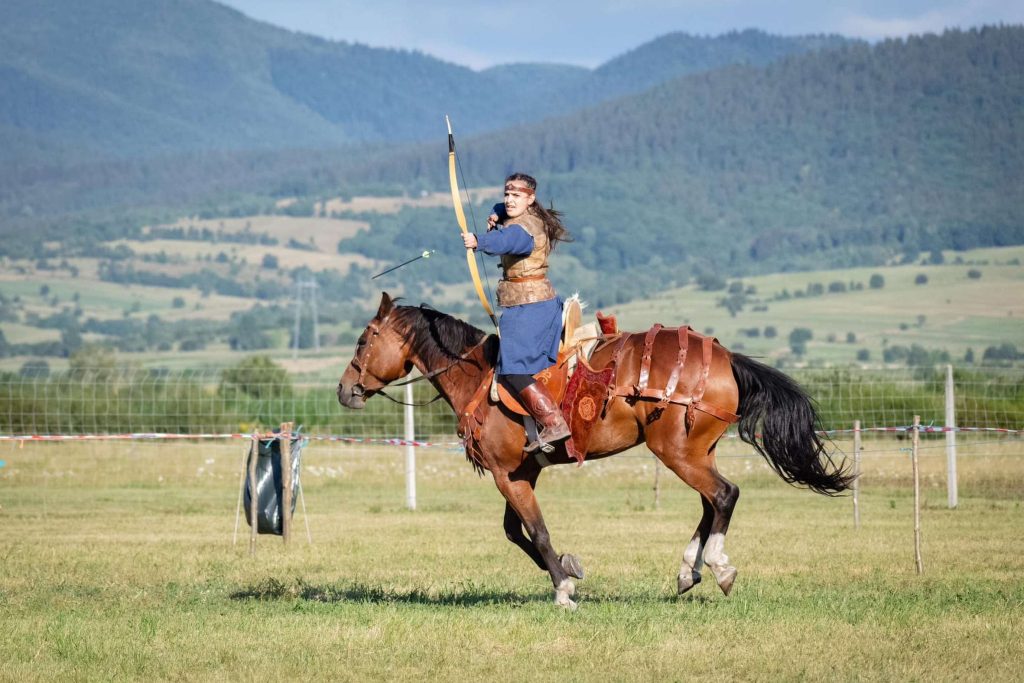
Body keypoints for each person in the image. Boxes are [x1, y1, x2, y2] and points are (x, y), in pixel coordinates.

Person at [462, 173, 573, 452]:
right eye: (507, 195)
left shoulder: (524, 229)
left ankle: (553, 422)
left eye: (517, 196)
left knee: (513, 368)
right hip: (526, 305)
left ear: (530, 199)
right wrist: (495, 213)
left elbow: (507, 241)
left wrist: (479, 241)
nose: (509, 201)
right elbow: (503, 212)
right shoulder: (526, 215)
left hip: (531, 307)